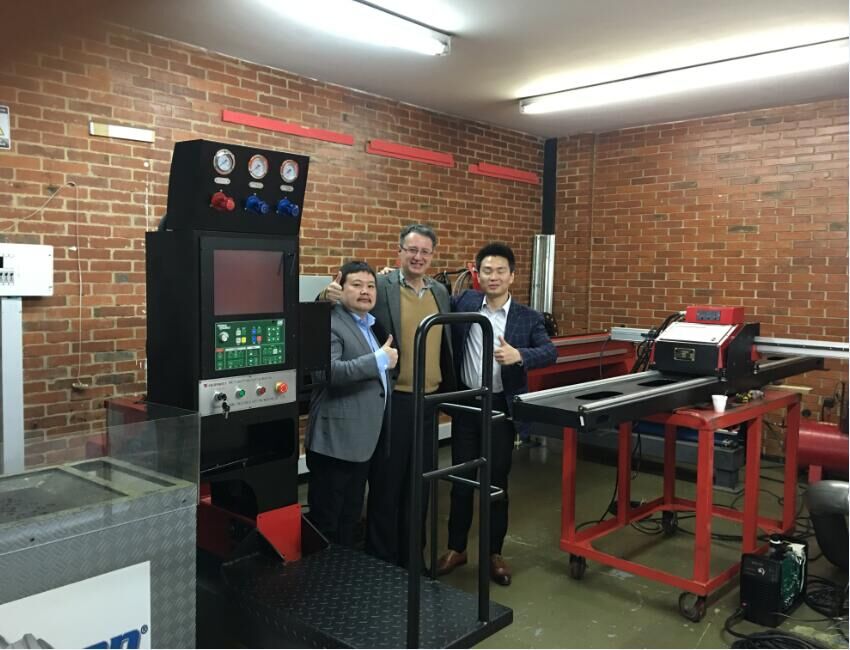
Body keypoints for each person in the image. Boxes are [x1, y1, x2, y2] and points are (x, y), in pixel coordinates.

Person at [324, 224, 455, 568]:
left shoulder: (441, 291)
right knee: (386, 483)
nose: (418, 257)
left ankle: (413, 557)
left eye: (425, 251)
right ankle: (381, 559)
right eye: (412, 250)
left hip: (430, 401)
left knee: (420, 484)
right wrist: (327, 295)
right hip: (393, 400)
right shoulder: (380, 285)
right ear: (399, 252)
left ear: (432, 256)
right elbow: (346, 302)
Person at [435, 242, 556, 585]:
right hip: (465, 404)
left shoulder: (527, 317)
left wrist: (521, 356)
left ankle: (494, 553)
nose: (494, 276)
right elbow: (431, 293)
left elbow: (550, 352)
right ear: (478, 274)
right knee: (461, 478)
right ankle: (456, 548)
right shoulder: (465, 302)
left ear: (512, 276)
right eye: (487, 270)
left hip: (501, 408)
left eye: (501, 271)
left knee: (496, 482)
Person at [305, 261, 397, 546]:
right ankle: (322, 572)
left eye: (370, 286)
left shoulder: (371, 325)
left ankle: (343, 567)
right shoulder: (329, 322)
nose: (365, 291)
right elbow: (327, 372)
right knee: (327, 522)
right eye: (356, 285)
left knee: (350, 516)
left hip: (363, 442)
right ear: (339, 287)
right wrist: (378, 360)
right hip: (335, 443)